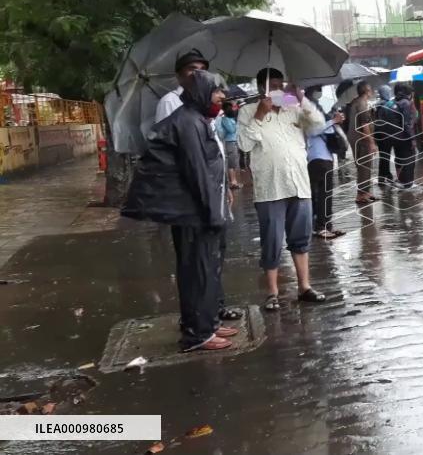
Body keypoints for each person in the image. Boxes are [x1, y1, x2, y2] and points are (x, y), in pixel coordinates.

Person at [123, 70, 238, 352]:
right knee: (197, 272)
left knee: (206, 271)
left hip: (199, 210)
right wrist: (214, 214)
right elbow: (197, 173)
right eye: (216, 91)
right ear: (201, 93)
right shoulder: (189, 123)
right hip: (194, 213)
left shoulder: (197, 119)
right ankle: (198, 334)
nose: (221, 96)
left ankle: (207, 324)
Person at [237, 68, 328, 311]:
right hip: (270, 188)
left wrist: (301, 99)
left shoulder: (292, 106)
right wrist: (260, 114)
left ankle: (304, 287)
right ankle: (272, 293)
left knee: (301, 239)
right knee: (272, 241)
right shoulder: (248, 111)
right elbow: (244, 145)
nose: (277, 90)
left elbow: (318, 125)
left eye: (280, 85)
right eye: (272, 86)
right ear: (261, 88)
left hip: (298, 184)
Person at [304, 86, 347, 240]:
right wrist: (332, 121)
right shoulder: (307, 110)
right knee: (320, 194)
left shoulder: (320, 111)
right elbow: (312, 131)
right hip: (316, 157)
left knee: (326, 194)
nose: (320, 93)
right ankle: (320, 227)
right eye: (318, 90)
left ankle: (326, 225)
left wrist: (334, 121)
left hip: (326, 157)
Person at [345, 81, 379, 204]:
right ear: (367, 91)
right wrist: (372, 143)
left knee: (364, 166)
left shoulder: (356, 102)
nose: (372, 92)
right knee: (364, 166)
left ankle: (365, 192)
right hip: (361, 139)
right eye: (370, 89)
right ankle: (361, 195)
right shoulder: (362, 104)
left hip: (356, 138)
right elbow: (364, 125)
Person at [156, 48, 209, 123]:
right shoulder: (169, 102)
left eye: (203, 69)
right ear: (178, 75)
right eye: (192, 69)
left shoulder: (207, 100)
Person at [390, 83, 420, 191]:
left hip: (395, 137)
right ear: (409, 93)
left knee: (400, 158)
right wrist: (412, 139)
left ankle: (401, 182)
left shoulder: (395, 102)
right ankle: (408, 185)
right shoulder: (406, 103)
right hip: (404, 137)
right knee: (410, 159)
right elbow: (407, 124)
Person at [373, 84, 397, 188]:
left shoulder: (377, 105)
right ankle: (383, 178)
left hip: (378, 134)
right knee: (385, 156)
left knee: (384, 156)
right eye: (388, 92)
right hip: (386, 134)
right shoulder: (387, 105)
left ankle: (386, 176)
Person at [217, 101, 242, 189]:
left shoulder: (230, 118)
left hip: (234, 141)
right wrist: (236, 124)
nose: (234, 109)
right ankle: (233, 181)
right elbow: (231, 130)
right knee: (232, 162)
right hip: (230, 142)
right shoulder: (225, 119)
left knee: (234, 162)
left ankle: (234, 181)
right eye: (232, 107)